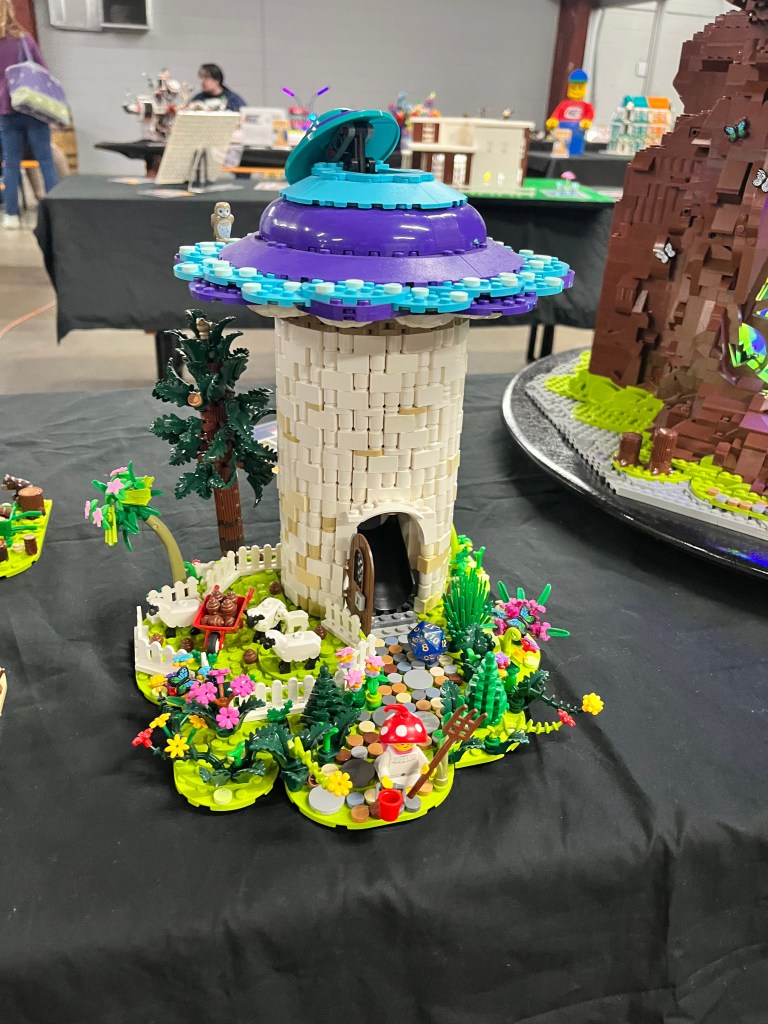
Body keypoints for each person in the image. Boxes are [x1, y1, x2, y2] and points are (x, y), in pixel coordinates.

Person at [0, 0, 59, 229]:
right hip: (32, 107)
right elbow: (43, 69)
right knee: (45, 160)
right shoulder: (23, 38)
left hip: (6, 109)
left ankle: (11, 215)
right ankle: (55, 214)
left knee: (11, 163)